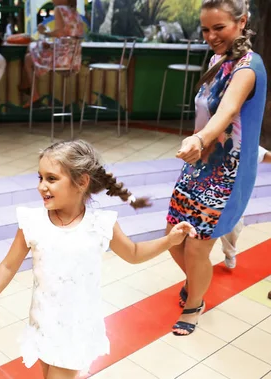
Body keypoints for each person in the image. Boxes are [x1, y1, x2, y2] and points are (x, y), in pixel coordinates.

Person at [0, 140, 196, 379]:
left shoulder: (100, 224)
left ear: (82, 182)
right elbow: (8, 265)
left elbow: (134, 253)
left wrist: (169, 241)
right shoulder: (32, 222)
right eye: (40, 177)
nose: (41, 186)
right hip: (43, 321)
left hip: (77, 328)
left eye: (51, 179)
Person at [167, 0, 267, 336]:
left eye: (218, 28)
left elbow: (227, 111)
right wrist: (199, 144)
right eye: (206, 29)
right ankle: (196, 281)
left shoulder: (248, 67)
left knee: (197, 244)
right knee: (175, 236)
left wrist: (200, 139)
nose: (211, 36)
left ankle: (195, 303)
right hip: (200, 165)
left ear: (242, 22)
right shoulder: (217, 60)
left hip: (228, 172)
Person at [19, 0, 84, 106]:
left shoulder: (60, 9)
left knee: (29, 54)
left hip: (61, 60)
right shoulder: (76, 13)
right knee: (34, 51)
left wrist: (44, 32)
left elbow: (60, 33)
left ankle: (31, 92)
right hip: (73, 61)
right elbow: (68, 37)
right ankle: (27, 88)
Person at [219, 146, 270, 268]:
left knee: (233, 226)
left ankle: (229, 251)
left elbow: (264, 155)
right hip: (208, 189)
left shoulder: (247, 144)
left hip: (235, 194)